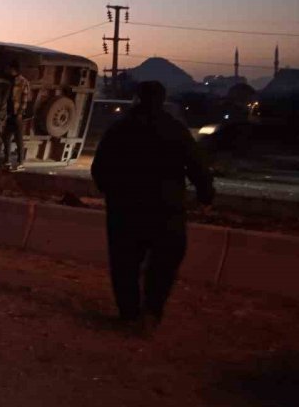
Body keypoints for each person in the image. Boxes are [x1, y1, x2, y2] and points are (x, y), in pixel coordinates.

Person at [91, 81, 215, 334]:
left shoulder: (120, 129)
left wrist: (112, 193)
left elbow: (99, 168)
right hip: (166, 209)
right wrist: (205, 196)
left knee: (124, 263)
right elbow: (198, 167)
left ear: (136, 98)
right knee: (163, 264)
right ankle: (152, 312)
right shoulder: (175, 129)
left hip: (125, 209)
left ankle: (129, 314)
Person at [2, 59, 31, 172]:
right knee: (6, 137)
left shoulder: (23, 82)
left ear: (12, 68)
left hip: (16, 114)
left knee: (18, 139)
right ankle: (7, 160)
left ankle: (20, 163)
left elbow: (24, 99)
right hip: (10, 114)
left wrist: (19, 113)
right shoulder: (11, 81)